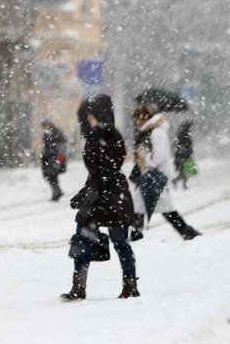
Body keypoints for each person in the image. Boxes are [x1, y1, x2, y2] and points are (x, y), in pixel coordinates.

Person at [61, 94, 139, 301]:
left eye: (90, 115)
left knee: (120, 241)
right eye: (85, 115)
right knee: (82, 238)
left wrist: (88, 192)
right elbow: (97, 173)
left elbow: (109, 170)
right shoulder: (94, 137)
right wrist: (86, 192)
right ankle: (78, 287)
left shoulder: (112, 136)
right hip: (97, 195)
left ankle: (130, 286)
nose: (87, 119)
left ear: (100, 114)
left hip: (113, 196)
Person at [129, 105, 200, 240]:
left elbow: (161, 155)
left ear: (144, 118)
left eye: (138, 120)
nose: (136, 123)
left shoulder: (156, 132)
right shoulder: (151, 131)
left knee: (163, 207)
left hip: (156, 176)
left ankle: (187, 232)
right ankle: (135, 233)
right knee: (139, 204)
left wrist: (144, 157)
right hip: (151, 175)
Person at [40, 120, 67, 201]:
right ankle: (57, 191)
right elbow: (47, 148)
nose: (44, 127)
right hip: (49, 159)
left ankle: (57, 192)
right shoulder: (47, 134)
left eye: (45, 125)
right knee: (50, 176)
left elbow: (62, 150)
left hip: (55, 159)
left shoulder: (56, 134)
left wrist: (58, 162)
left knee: (52, 175)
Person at [172, 120, 195, 189]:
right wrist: (186, 152)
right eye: (190, 127)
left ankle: (181, 183)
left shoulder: (182, 134)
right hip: (183, 156)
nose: (191, 129)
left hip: (183, 156)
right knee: (184, 171)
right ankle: (179, 183)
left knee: (185, 171)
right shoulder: (183, 135)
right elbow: (183, 146)